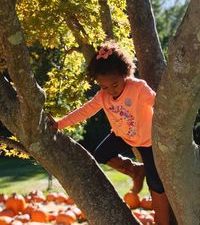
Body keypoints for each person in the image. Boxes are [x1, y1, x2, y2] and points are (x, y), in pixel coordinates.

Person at [50, 41, 170, 224]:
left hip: (148, 141)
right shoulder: (103, 96)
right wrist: (60, 123)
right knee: (101, 153)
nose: (110, 91)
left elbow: (160, 105)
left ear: (125, 74)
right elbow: (85, 111)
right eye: (104, 87)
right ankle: (135, 170)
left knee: (156, 185)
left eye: (114, 85)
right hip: (122, 136)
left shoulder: (138, 88)